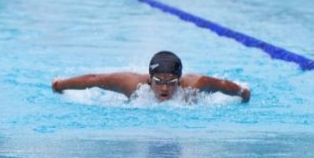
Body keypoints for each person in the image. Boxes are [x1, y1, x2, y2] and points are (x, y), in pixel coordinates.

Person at [52, 51, 251, 103]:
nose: (164, 89)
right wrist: (61, 84)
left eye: (171, 82)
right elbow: (94, 79)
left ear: (179, 80)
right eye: (159, 82)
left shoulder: (195, 84)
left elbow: (222, 85)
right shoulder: (133, 86)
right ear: (150, 79)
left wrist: (242, 92)